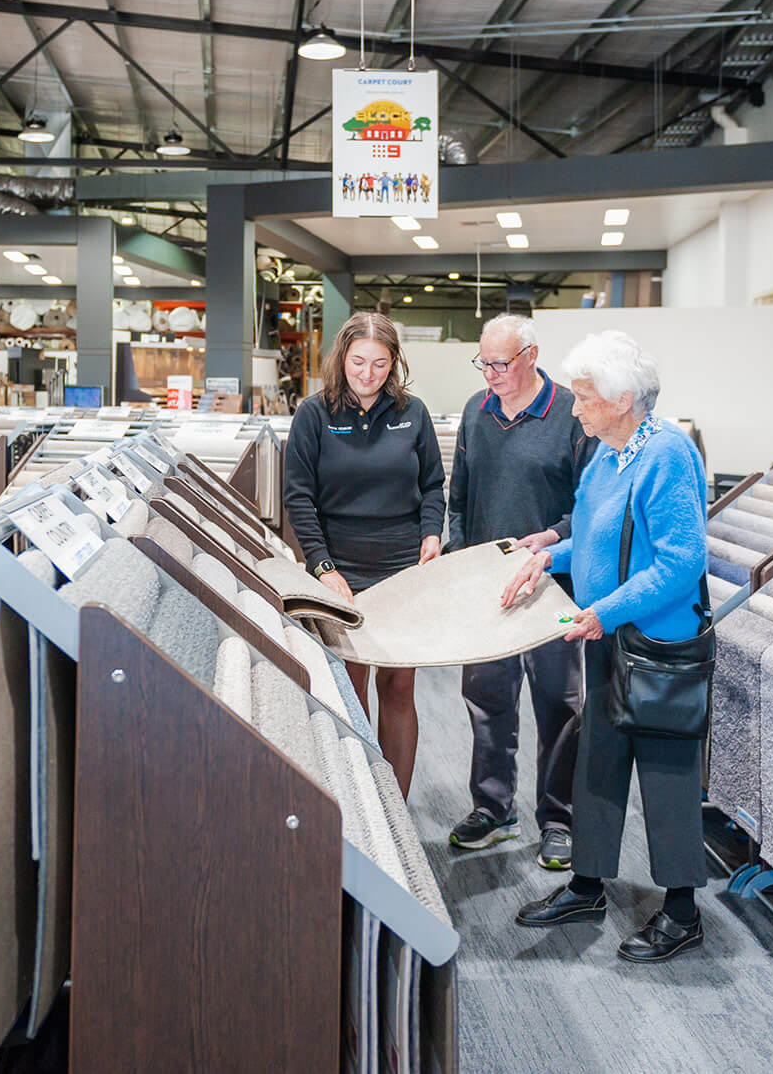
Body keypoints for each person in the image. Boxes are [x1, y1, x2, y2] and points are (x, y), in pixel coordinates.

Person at [500, 329, 711, 964]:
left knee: (668, 777)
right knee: (599, 761)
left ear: (621, 399)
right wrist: (547, 556)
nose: (574, 407)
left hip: (656, 642)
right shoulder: (609, 453)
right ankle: (589, 884)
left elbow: (681, 562)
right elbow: (591, 539)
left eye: (585, 397)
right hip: (606, 633)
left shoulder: (667, 455)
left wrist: (605, 610)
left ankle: (682, 912)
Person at [445, 315, 595, 871]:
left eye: (500, 364)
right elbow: (458, 497)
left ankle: (559, 820)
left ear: (531, 355)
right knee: (487, 700)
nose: (490, 374)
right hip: (488, 587)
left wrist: (553, 539)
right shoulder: (475, 411)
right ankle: (492, 807)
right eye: (482, 363)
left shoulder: (569, 414)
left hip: (553, 587)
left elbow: (590, 505)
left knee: (559, 704)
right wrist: (463, 560)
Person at [283, 311, 445, 796]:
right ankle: (359, 800)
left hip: (402, 570)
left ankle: (395, 804)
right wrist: (322, 565)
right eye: (358, 362)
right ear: (342, 358)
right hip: (340, 571)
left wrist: (432, 534)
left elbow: (433, 485)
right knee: (350, 687)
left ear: (394, 362)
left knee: (398, 687)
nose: (368, 374)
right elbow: (298, 497)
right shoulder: (315, 414)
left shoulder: (412, 413)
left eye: (379, 363)